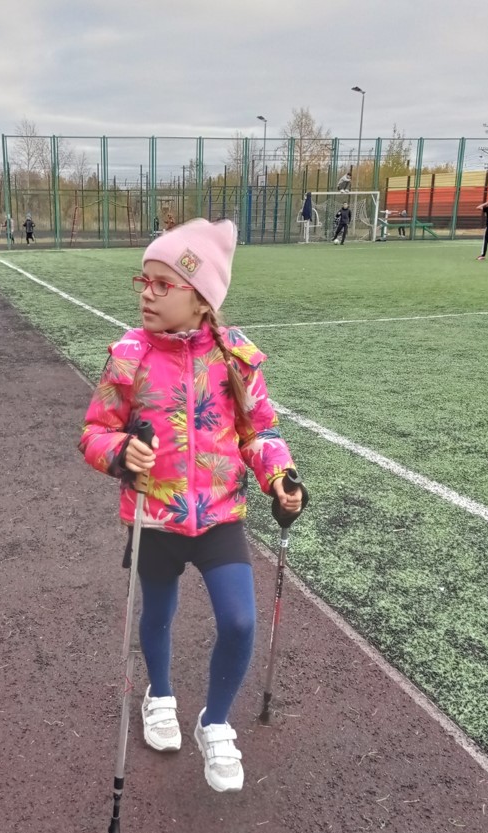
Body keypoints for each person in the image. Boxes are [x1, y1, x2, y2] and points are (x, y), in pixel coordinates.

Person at [79, 218, 305, 793]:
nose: (147, 294)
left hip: (220, 515)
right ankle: (159, 695)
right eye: (144, 281)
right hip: (154, 517)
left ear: (202, 299)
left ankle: (215, 721)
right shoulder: (128, 357)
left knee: (239, 620)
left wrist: (279, 475)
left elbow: (259, 430)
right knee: (157, 613)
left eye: (163, 285)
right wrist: (120, 453)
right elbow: (94, 431)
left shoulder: (235, 358)